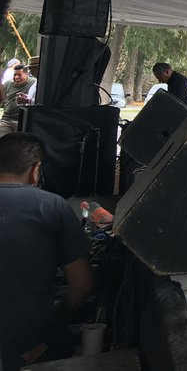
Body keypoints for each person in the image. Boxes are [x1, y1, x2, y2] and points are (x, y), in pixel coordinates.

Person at [0, 133, 94, 368]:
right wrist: (58, 317)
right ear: (35, 169)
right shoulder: (50, 206)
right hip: (25, 345)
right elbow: (82, 284)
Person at [0, 61, 36, 136]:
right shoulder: (7, 84)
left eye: (19, 75)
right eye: (15, 75)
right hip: (7, 119)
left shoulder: (33, 84)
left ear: (26, 74)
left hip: (23, 120)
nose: (16, 77)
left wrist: (27, 98)